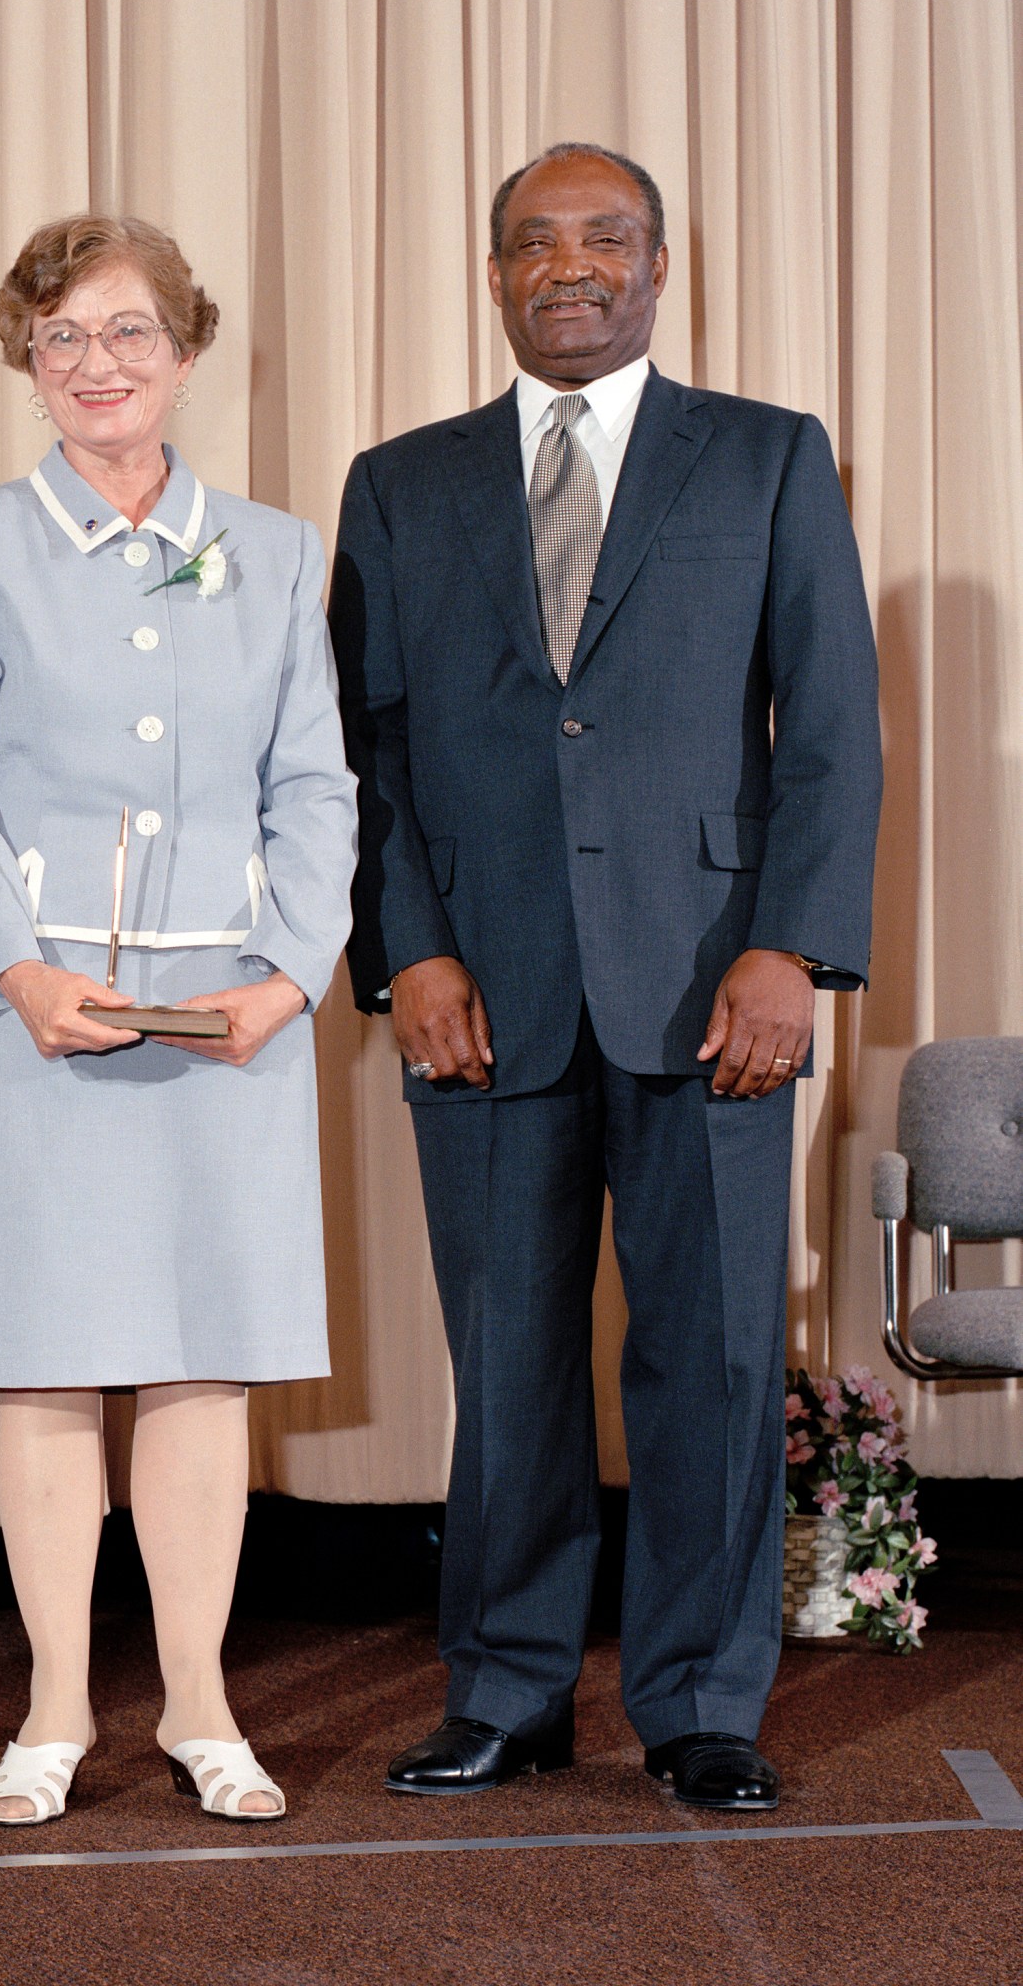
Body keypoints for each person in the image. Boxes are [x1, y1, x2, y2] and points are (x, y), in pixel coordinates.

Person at [330, 143, 881, 1812]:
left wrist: (792, 950)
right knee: (502, 1360)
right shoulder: (399, 484)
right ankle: (506, 1691)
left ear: (660, 263)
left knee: (711, 1359)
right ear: (492, 274)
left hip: (718, 987)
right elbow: (370, 756)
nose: (570, 265)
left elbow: (831, 732)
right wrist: (409, 949)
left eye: (606, 238)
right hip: (478, 1003)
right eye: (532, 243)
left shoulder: (770, 459)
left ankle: (703, 1702)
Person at [0, 214, 356, 1827]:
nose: (97, 365)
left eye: (129, 333)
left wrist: (292, 975)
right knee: (45, 1372)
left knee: (200, 1373)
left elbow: (315, 782)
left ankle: (203, 1705)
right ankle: (50, 1710)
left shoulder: (284, 549)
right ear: (26, 357)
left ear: (186, 347)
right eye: (62, 338)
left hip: (228, 1018)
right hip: (37, 1023)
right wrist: (12, 976)